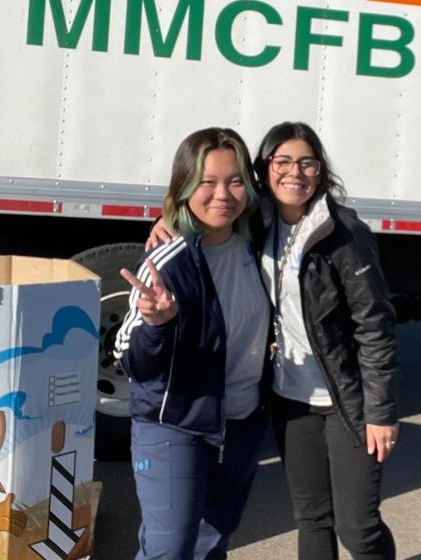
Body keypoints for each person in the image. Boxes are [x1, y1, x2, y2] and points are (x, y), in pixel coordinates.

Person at [149, 122, 399, 560]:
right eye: (282, 161)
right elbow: (207, 204)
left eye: (307, 163)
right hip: (289, 398)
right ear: (264, 170)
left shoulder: (344, 233)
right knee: (312, 519)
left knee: (358, 527)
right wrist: (167, 218)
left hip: (347, 400)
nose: (294, 173)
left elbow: (374, 326)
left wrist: (381, 412)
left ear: (320, 171)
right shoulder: (257, 222)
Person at [114, 127, 271, 560]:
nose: (223, 194)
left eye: (235, 181)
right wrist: (157, 325)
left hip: (240, 422)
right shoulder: (168, 258)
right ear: (185, 187)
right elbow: (129, 360)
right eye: (207, 182)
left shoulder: (259, 243)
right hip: (176, 422)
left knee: (212, 543)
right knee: (170, 550)